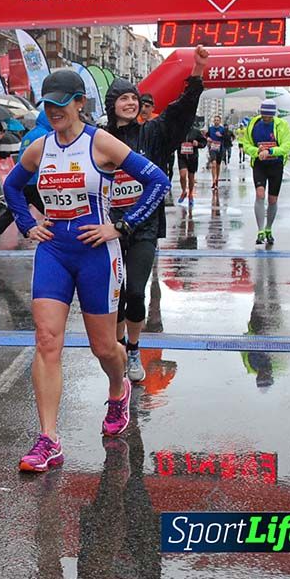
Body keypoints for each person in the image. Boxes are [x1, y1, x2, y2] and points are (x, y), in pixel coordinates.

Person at [2, 69, 171, 472]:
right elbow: (11, 187)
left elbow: (157, 182)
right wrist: (28, 224)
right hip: (54, 251)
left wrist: (122, 225)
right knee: (46, 341)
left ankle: (118, 388)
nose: (54, 110)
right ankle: (48, 439)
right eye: (48, 103)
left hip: (97, 252)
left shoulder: (101, 142)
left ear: (80, 103)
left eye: (62, 102)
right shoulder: (39, 149)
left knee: (102, 348)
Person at [104, 46, 207, 383]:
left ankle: (133, 349)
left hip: (144, 227)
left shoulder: (154, 133)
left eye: (133, 98)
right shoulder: (99, 138)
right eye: (123, 99)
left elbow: (181, 112)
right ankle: (118, 347)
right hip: (107, 229)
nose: (131, 103)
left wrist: (197, 73)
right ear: (112, 105)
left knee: (135, 292)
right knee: (114, 296)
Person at [0, 109, 50, 258]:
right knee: (56, 214)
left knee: (9, 215)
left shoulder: (29, 135)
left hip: (22, 182)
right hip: (37, 183)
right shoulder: (46, 136)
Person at [239, 100, 290, 247]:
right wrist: (256, 151)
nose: (266, 118)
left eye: (269, 116)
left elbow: (287, 145)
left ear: (273, 115)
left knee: (272, 200)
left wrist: (270, 151)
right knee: (260, 194)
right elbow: (246, 145)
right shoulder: (253, 124)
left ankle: (269, 228)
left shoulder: (281, 125)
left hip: (276, 165)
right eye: (264, 115)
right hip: (259, 165)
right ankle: (260, 230)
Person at [175, 126, 205, 207]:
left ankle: (190, 194)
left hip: (193, 158)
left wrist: (198, 144)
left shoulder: (196, 131)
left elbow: (203, 142)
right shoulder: (179, 131)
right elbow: (173, 141)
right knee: (182, 175)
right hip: (182, 157)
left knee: (191, 177)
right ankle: (184, 191)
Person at [206, 115, 226, 190]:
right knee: (213, 164)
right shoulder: (211, 129)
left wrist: (221, 135)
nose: (216, 121)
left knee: (217, 165)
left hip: (220, 149)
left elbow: (226, 138)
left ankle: (217, 179)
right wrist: (208, 138)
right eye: (215, 120)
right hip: (212, 148)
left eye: (218, 120)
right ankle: (213, 180)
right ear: (213, 121)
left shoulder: (222, 129)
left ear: (220, 121)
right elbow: (207, 135)